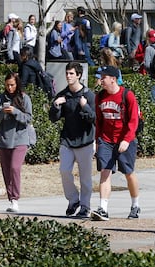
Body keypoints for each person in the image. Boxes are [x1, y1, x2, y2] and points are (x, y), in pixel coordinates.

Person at [91, 65, 141, 221]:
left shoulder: (127, 95)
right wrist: (97, 140)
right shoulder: (99, 97)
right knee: (105, 171)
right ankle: (103, 208)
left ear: (113, 79)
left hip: (125, 139)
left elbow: (134, 120)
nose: (101, 81)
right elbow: (98, 120)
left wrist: (127, 139)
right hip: (106, 140)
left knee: (128, 173)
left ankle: (135, 205)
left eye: (103, 78)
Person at [48, 61, 95, 218]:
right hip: (67, 141)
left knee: (85, 178)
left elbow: (94, 118)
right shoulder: (63, 95)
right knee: (64, 171)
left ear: (79, 76)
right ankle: (73, 199)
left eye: (71, 73)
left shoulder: (88, 95)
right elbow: (53, 118)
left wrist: (85, 106)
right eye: (67, 73)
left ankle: (85, 206)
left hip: (85, 141)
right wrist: (56, 105)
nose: (68, 76)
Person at [0, 72, 35, 213]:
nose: (10, 88)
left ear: (17, 84)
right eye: (7, 85)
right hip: (4, 140)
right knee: (6, 171)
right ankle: (11, 199)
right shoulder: (0, 99)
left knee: (15, 168)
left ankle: (15, 198)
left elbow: (28, 118)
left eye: (12, 85)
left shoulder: (24, 98)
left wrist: (15, 111)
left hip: (21, 138)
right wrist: (3, 112)